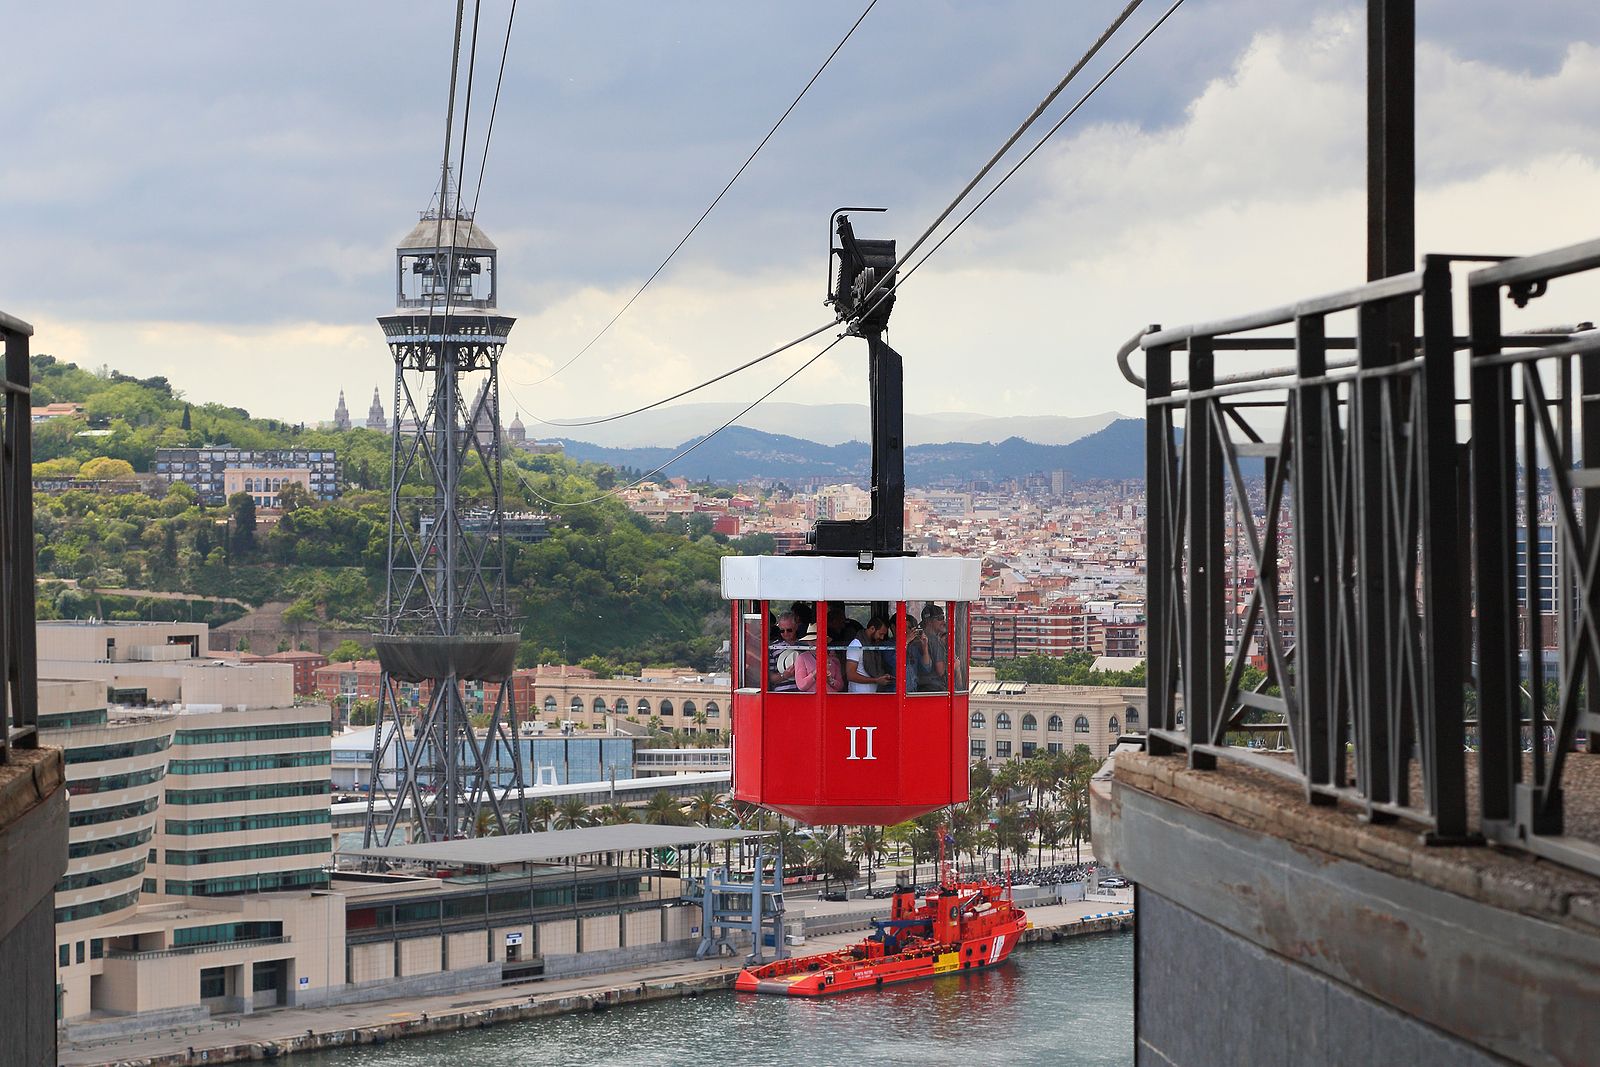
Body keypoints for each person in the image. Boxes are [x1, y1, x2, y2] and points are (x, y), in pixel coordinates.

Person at [844, 615, 893, 693]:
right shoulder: (856, 645)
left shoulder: (873, 645)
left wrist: (881, 678)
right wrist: (876, 680)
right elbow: (850, 675)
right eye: (881, 634)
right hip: (858, 695)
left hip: (872, 694)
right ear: (872, 628)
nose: (882, 638)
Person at [908, 604, 948, 692]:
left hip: (918, 686)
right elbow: (940, 670)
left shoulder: (916, 639)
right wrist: (953, 665)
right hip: (934, 688)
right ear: (929, 621)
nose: (944, 622)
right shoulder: (935, 641)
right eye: (940, 618)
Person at [768, 611, 804, 692]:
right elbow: (770, 677)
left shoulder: (805, 645)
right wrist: (784, 676)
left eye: (789, 630)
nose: (785, 633)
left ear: (796, 627)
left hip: (805, 693)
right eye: (782, 631)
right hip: (782, 693)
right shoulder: (773, 647)